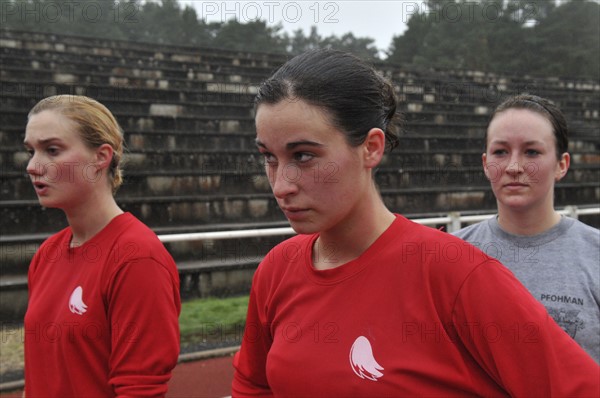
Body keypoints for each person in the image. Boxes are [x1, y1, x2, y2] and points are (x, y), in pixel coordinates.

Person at [231, 49, 599, 397]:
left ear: (371, 148)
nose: (281, 185)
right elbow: (252, 385)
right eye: (269, 157)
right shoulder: (276, 270)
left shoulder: (457, 274)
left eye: (304, 156)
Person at [23, 95, 181, 396]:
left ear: (101, 157)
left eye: (51, 150)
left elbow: (140, 390)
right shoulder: (47, 254)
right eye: (31, 151)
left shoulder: (138, 259)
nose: (33, 166)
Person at [453, 94, 600, 363]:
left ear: (561, 165)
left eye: (532, 151)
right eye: (500, 152)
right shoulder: (454, 254)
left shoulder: (595, 254)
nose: (514, 166)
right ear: (486, 164)